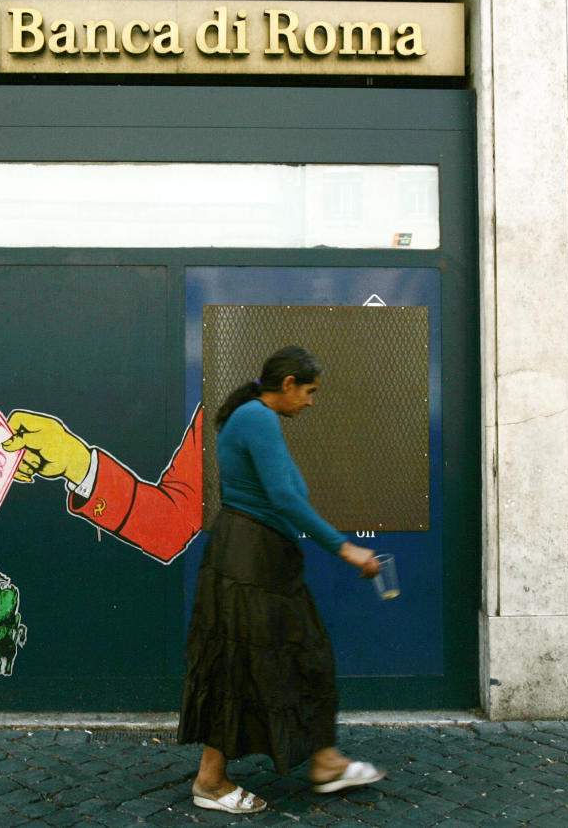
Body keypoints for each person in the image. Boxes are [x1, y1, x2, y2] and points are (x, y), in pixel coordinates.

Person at [177, 345, 384, 814]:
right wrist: (345, 546)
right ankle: (210, 781)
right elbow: (286, 497)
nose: (312, 402)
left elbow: (281, 495)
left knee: (304, 656)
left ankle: (326, 760)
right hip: (249, 563)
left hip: (261, 560)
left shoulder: (252, 417)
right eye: (309, 391)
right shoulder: (258, 418)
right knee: (240, 669)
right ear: (288, 384)